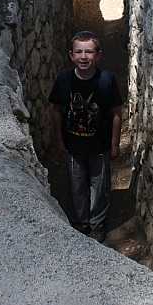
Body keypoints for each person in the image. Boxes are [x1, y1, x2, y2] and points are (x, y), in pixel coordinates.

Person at [49, 31, 122, 242]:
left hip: (99, 146)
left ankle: (97, 224)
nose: (83, 57)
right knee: (77, 185)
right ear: (71, 55)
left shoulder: (107, 80)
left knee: (99, 187)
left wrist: (114, 144)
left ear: (98, 55)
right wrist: (59, 140)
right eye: (79, 52)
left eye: (89, 52)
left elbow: (116, 113)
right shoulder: (64, 80)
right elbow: (56, 111)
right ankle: (81, 222)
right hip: (73, 146)